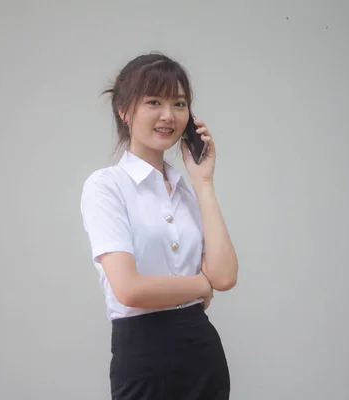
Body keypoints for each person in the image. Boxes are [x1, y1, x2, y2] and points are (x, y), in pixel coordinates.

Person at [80, 52, 239, 400]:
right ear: (124, 111)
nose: (168, 115)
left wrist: (204, 183)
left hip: (202, 350)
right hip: (143, 353)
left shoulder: (187, 190)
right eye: (154, 101)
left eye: (179, 104)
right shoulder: (106, 186)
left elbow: (225, 277)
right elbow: (129, 289)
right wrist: (200, 285)